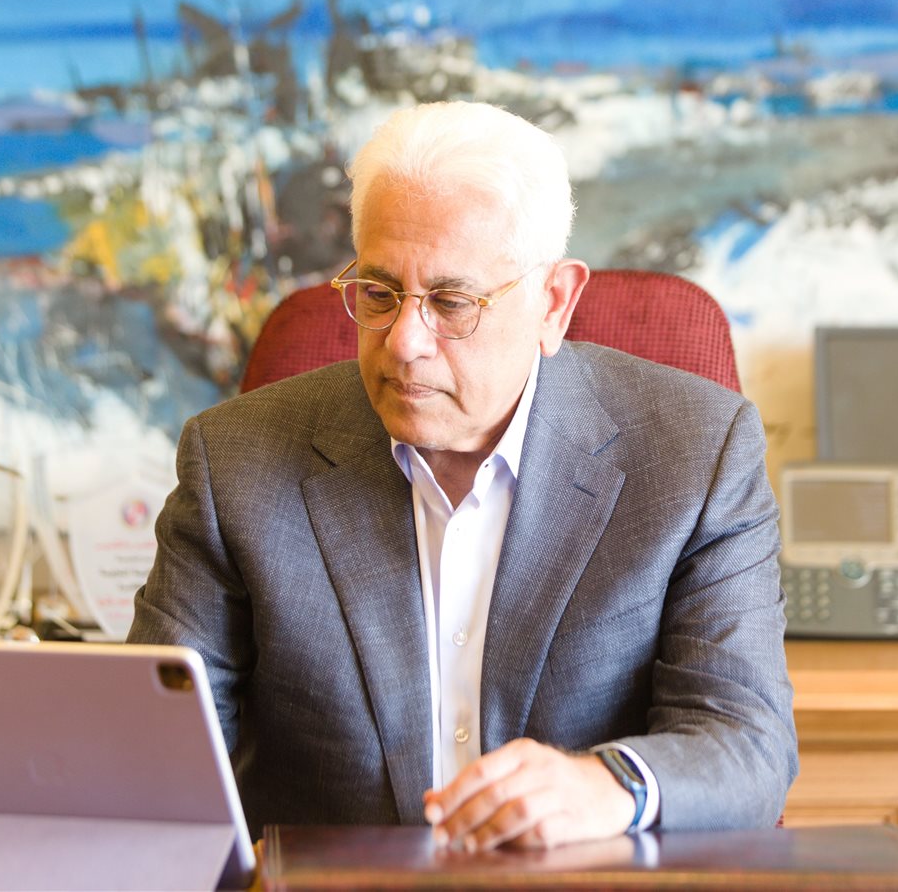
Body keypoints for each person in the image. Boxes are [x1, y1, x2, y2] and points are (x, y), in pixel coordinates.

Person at [128, 101, 797, 852]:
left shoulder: (695, 453)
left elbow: (747, 744)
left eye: (451, 302)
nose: (404, 342)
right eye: (378, 293)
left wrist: (610, 786)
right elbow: (150, 761)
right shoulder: (235, 463)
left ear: (553, 303)